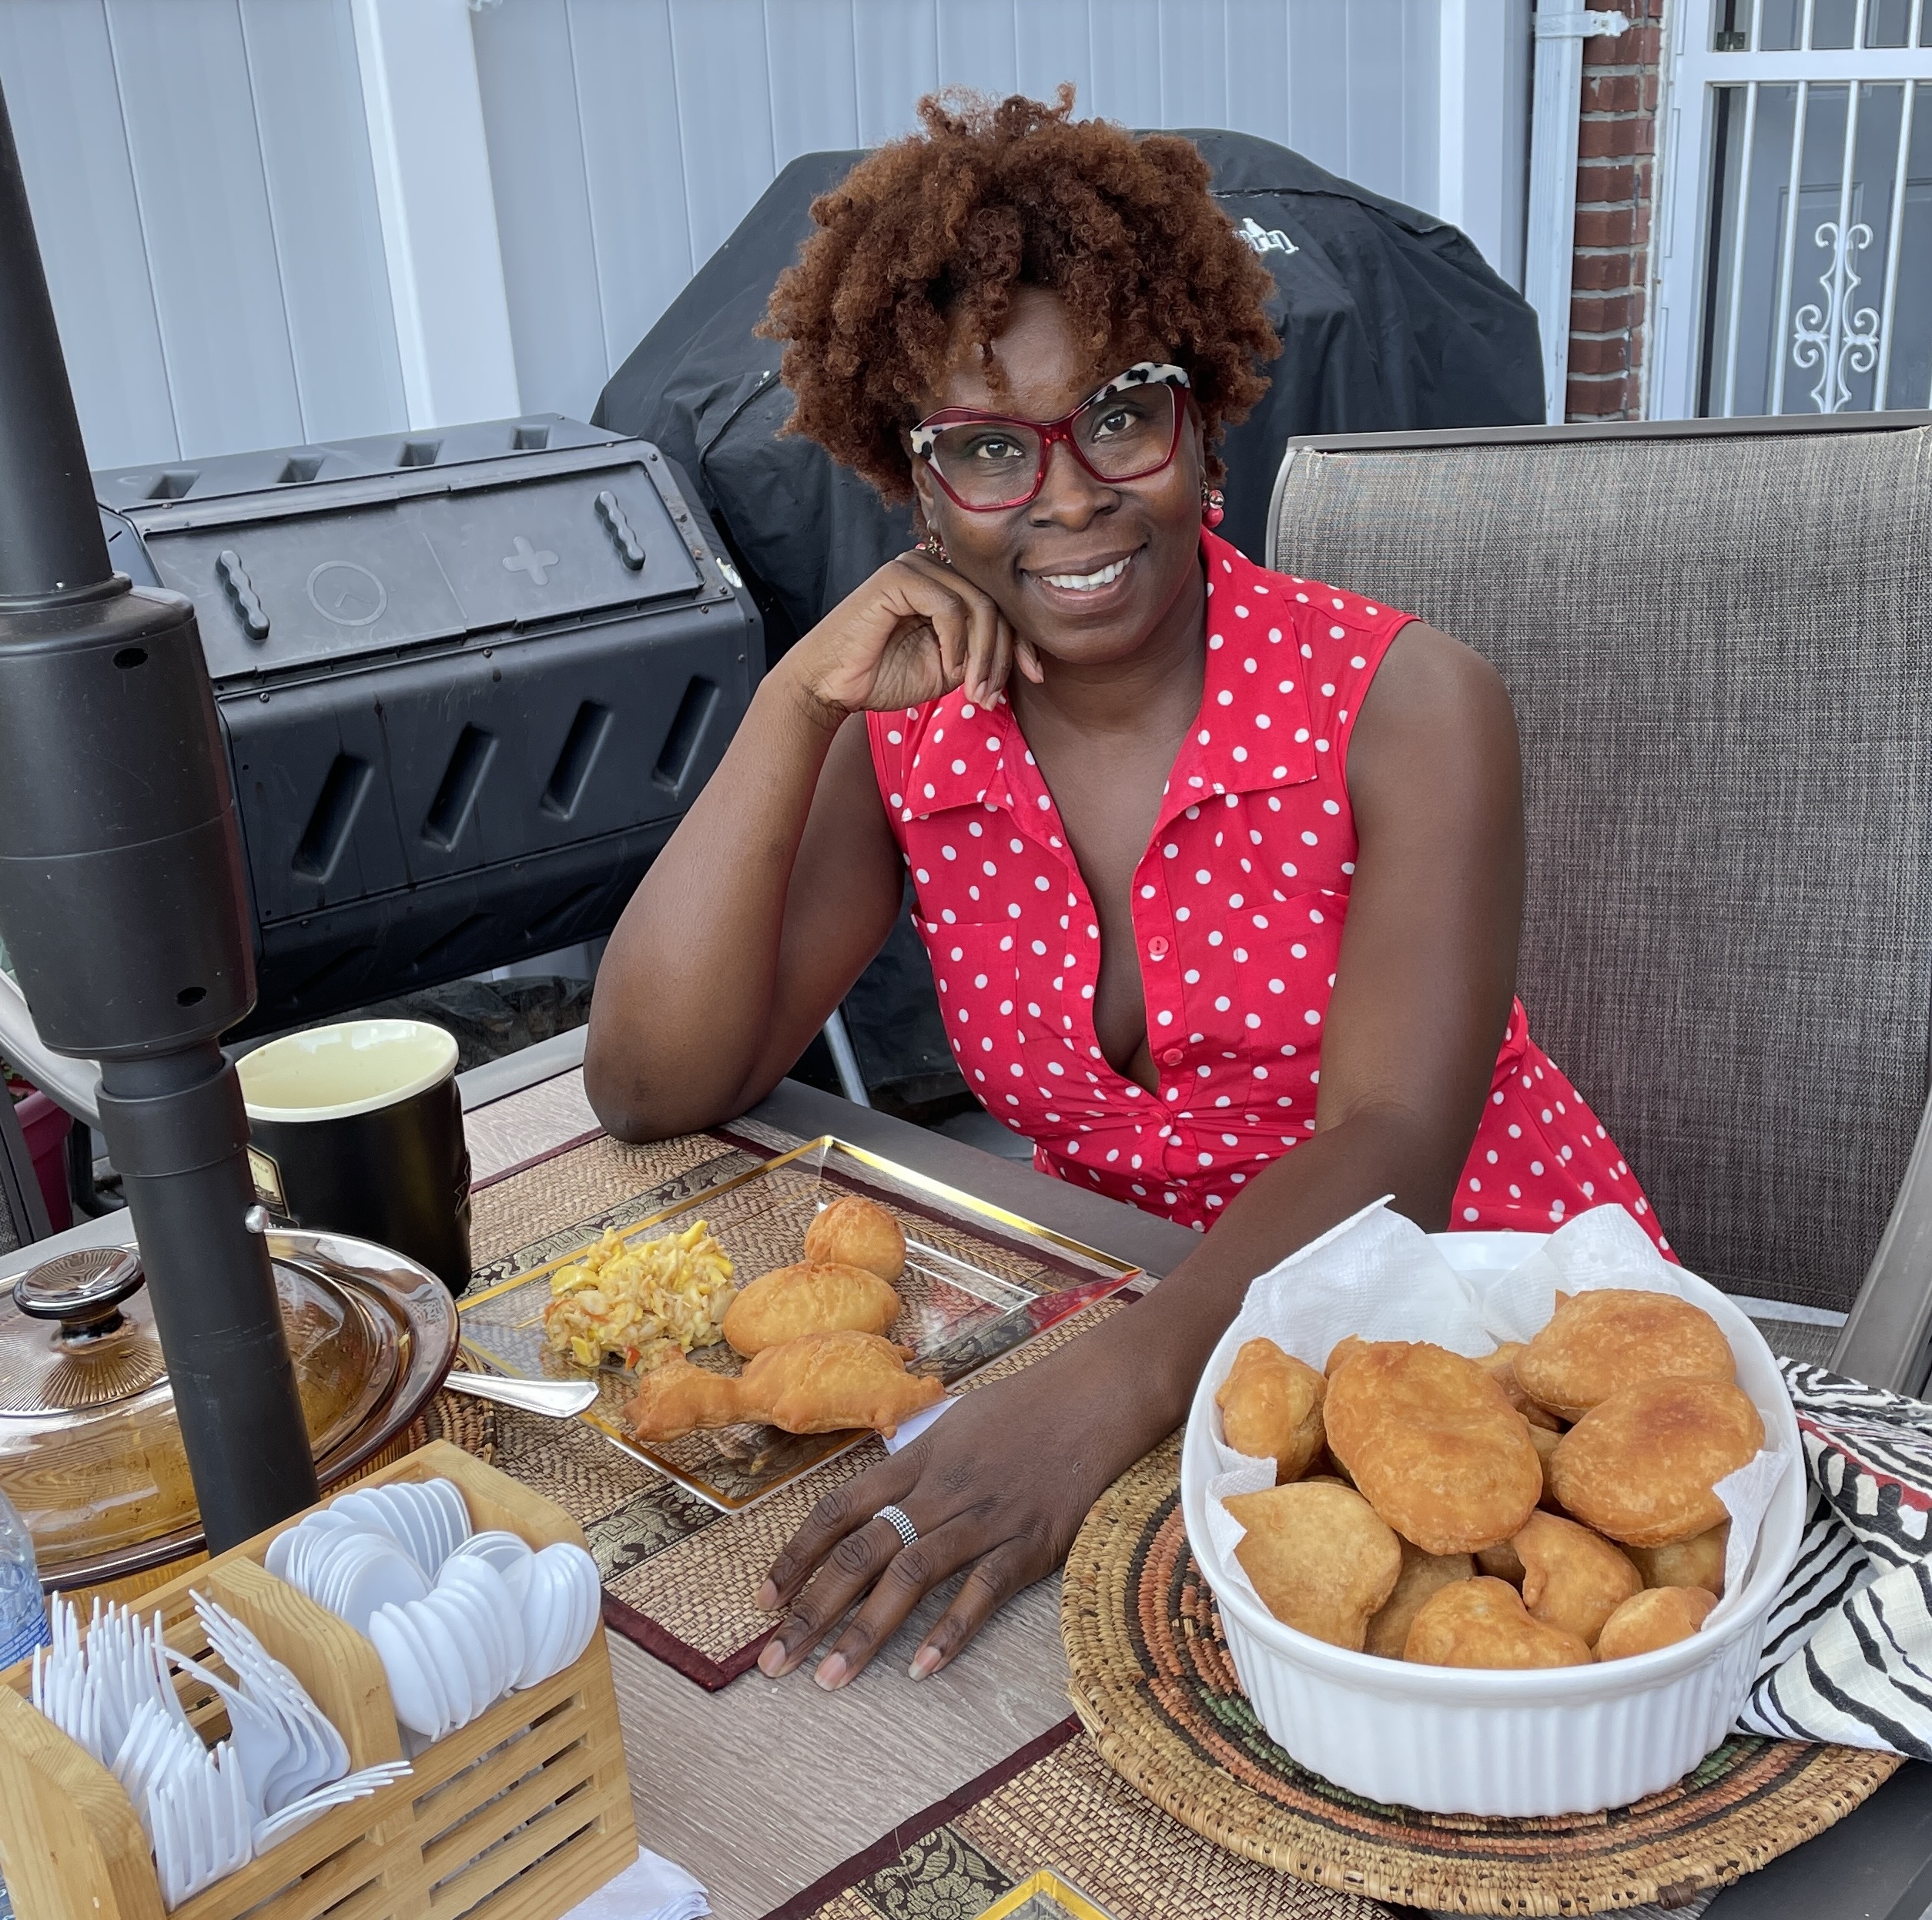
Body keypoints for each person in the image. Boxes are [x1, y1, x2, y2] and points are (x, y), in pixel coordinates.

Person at [584, 89, 1666, 1693]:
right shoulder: (909, 738)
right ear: (916, 482)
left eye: (1120, 413)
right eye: (985, 450)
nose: (1070, 493)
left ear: (1206, 414)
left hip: (1488, 1341)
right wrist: (792, 701)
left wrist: (1100, 1389)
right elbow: (654, 1079)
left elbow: (1392, 1145)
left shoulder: (1409, 701)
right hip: (1155, 1344)